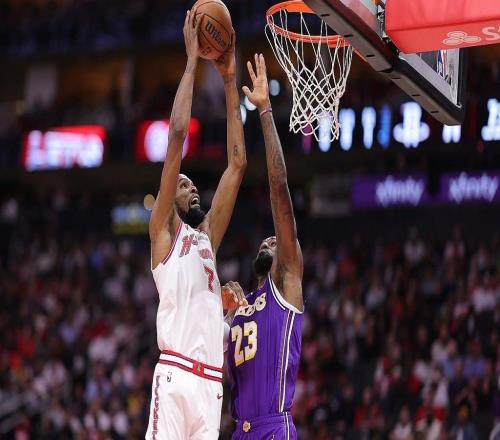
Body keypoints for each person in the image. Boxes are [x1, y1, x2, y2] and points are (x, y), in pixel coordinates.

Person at [146, 9, 247, 440]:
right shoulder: (164, 233)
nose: (190, 187)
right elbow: (176, 139)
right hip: (175, 376)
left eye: (191, 184)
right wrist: (191, 63)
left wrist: (229, 80)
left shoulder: (206, 237)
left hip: (210, 386)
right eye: (181, 183)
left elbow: (237, 164)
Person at [226, 53, 304, 440]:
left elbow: (279, 188)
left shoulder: (285, 282)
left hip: (274, 427)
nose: (272, 239)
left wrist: (265, 112)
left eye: (276, 240)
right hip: (239, 431)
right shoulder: (239, 305)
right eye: (267, 239)